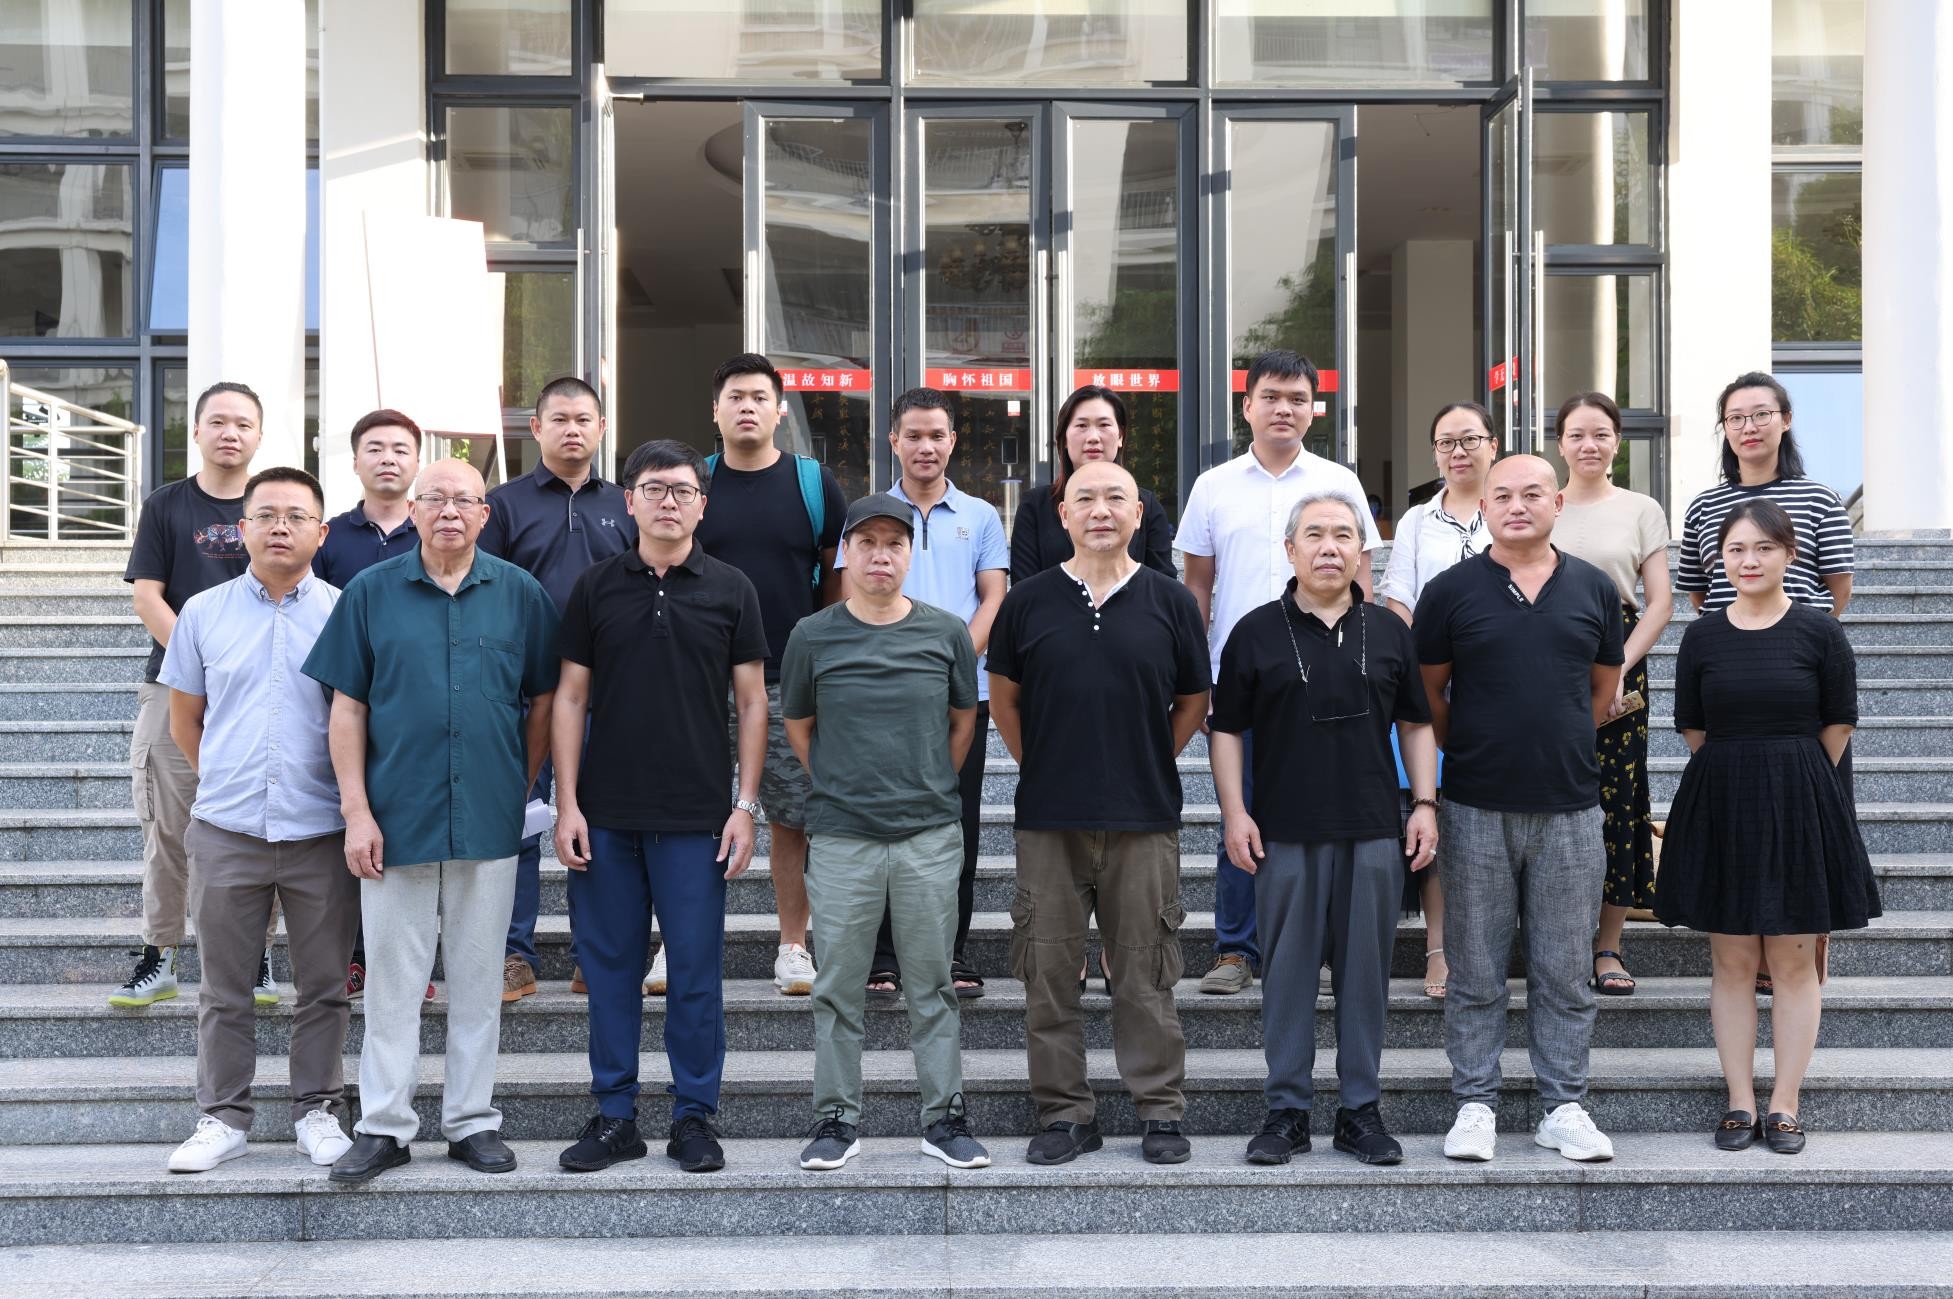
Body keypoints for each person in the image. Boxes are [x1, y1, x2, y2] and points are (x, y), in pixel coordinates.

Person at [302, 459, 560, 1184]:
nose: (450, 511)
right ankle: (384, 1126)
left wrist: (515, 784)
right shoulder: (370, 591)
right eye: (436, 498)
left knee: (478, 981)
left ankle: (472, 1121)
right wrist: (356, 811)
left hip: (489, 820)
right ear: (412, 510)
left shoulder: (520, 593)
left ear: (485, 514)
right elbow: (346, 708)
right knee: (392, 983)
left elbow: (544, 698)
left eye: (465, 500)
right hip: (395, 818)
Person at [551, 440, 769, 1175]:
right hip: (605, 814)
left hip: (696, 817)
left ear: (702, 504)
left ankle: (693, 1116)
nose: (668, 501)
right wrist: (566, 802)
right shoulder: (595, 586)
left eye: (682, 490)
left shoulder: (732, 588)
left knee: (696, 974)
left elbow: (752, 702)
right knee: (610, 971)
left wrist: (745, 805)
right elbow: (570, 697)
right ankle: (615, 1116)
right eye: (654, 488)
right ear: (629, 500)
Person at [988, 462, 1209, 1167]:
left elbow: (1192, 700)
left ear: (1139, 514)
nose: (1101, 509)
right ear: (1063, 515)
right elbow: (1003, 698)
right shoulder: (1027, 601)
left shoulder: (1170, 600)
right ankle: (1064, 1113)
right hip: (1048, 817)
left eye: (1117, 496)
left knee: (1145, 970)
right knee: (1048, 969)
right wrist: (1042, 763)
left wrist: (1147, 756)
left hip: (1143, 816)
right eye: (1084, 497)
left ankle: (1159, 1110)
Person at [1214, 492, 1439, 1167]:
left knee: (1365, 977)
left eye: (1343, 534)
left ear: (1361, 552)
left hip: (1371, 830)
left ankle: (1359, 1110)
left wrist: (1424, 803)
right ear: (1290, 549)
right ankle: (1286, 1110)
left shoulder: (1389, 631)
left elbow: (1416, 724)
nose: (1329, 547)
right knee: (1285, 976)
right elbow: (1225, 730)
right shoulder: (1254, 631)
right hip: (1284, 831)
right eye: (1314, 534)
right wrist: (1234, 812)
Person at [1415, 455, 1623, 1165]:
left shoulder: (1593, 587)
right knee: (1474, 967)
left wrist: (1556, 738)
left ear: (1557, 503)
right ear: (1484, 508)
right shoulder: (1449, 591)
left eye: (1532, 493)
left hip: (1570, 805)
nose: (1516, 505)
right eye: (1501, 495)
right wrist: (1475, 747)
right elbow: (1430, 694)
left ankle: (1563, 1105)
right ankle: (1474, 1102)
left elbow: (1601, 689)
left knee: (1564, 967)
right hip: (1476, 802)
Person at [1655, 500, 1878, 1155]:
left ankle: (1784, 1104)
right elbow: (1692, 724)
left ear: (1789, 554)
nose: (1748, 560)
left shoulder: (1819, 631)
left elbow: (1838, 721)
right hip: (1722, 798)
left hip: (1800, 797)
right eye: (1735, 550)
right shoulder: (1703, 636)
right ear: (1718, 559)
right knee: (1730, 960)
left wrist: (1793, 778)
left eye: (1762, 548)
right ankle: (1738, 1102)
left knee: (1791, 960)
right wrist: (1740, 772)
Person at [782, 493, 988, 1172]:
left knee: (931, 984)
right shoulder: (812, 635)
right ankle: (836, 1119)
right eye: (866, 543)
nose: (880, 555)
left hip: (928, 833)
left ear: (910, 554)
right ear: (846, 553)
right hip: (843, 836)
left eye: (893, 543)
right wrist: (840, 782)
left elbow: (962, 720)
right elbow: (799, 726)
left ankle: (944, 1119)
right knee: (839, 986)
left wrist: (929, 782)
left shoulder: (946, 632)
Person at [159, 467, 357, 1173]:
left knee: (324, 985)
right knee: (223, 987)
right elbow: (186, 720)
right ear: (241, 529)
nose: (280, 526)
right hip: (227, 827)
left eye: (296, 516)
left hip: (320, 827)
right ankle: (223, 1117)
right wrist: (228, 776)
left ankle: (317, 1110)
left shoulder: (346, 610)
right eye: (266, 514)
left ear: (321, 533)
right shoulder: (203, 612)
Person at [1176, 349, 1380, 996]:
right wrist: (1198, 677)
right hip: (1238, 679)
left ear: (1314, 409)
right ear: (1247, 406)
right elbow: (1197, 587)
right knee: (1239, 813)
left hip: (1326, 680)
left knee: (1321, 813)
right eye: (1270, 396)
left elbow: (1362, 583)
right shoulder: (1213, 486)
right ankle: (1235, 949)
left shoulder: (1338, 482)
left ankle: (1316, 948)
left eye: (1297, 398)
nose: (1283, 409)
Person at [115, 381, 280, 1010]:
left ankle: (256, 957)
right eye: (217, 421)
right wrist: (200, 664)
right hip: (173, 684)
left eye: (243, 423)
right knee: (169, 825)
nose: (230, 432)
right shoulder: (166, 505)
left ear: (259, 434)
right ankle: (160, 955)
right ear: (196, 431)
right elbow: (147, 596)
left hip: (262, 691)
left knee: (263, 823)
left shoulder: (274, 503)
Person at [838, 389, 1007, 1002]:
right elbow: (851, 593)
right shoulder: (868, 515)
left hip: (962, 697)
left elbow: (993, 596)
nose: (925, 446)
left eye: (937, 435)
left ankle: (949, 953)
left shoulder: (980, 516)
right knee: (883, 824)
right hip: (882, 695)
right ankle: (883, 957)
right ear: (894, 441)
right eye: (913, 435)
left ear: (953, 441)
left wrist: (953, 662)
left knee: (955, 825)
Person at [478, 375, 637, 1004]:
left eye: (584, 420)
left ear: (602, 429)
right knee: (516, 821)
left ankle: (590, 955)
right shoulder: (502, 505)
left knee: (596, 824)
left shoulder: (626, 502)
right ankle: (514, 955)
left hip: (606, 693)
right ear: (536, 428)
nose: (573, 430)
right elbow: (483, 589)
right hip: (520, 693)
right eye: (560, 419)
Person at [693, 353, 846, 999]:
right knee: (694, 814)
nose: (747, 406)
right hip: (699, 681)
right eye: (735, 396)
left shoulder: (812, 483)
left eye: (760, 396)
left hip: (788, 676)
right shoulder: (694, 483)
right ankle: (681, 941)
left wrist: (824, 655)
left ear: (779, 410)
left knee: (791, 818)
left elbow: (835, 573)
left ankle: (792, 945)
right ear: (716, 410)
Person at [1551, 393, 1672, 997]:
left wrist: (1618, 664)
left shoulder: (1641, 508)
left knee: (1617, 803)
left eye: (1601, 433)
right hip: (1543, 655)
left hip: (1621, 655)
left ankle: (1607, 945)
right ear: (1560, 443)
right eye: (1576, 434)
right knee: (1546, 798)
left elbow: (1661, 602)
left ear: (1618, 442)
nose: (1589, 444)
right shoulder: (1542, 503)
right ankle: (1553, 940)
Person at [1377, 401, 1499, 1001]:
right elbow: (1398, 597)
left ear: (1493, 445)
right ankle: (1439, 949)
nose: (1458, 451)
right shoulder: (1417, 520)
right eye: (1446, 442)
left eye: (1470, 439)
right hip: (1431, 685)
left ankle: (1493, 947)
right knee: (1434, 814)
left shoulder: (1512, 507)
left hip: (1501, 687)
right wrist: (1413, 669)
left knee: (1490, 820)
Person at [310, 408, 429, 1002]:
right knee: (352, 833)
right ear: (355, 461)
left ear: (418, 462)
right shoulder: (329, 538)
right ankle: (355, 958)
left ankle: (413, 963)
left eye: (401, 449)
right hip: (343, 707)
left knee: (411, 840)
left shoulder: (436, 530)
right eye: (375, 448)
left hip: (417, 714)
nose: (388, 458)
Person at [1677, 371, 1853, 617]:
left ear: (1786, 420)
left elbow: (1840, 589)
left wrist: (1811, 632)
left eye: (1761, 415)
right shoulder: (1703, 507)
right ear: (1725, 427)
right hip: (1725, 638)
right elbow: (1698, 592)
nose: (1749, 428)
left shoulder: (1821, 501)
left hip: (1800, 637)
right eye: (1736, 418)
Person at [1010, 385, 1177, 583]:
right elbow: (1024, 589)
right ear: (1064, 439)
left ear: (1120, 436)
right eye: (1082, 426)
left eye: (1104, 425)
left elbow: (1163, 586)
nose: (1093, 438)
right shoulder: (1035, 505)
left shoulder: (1147, 505)